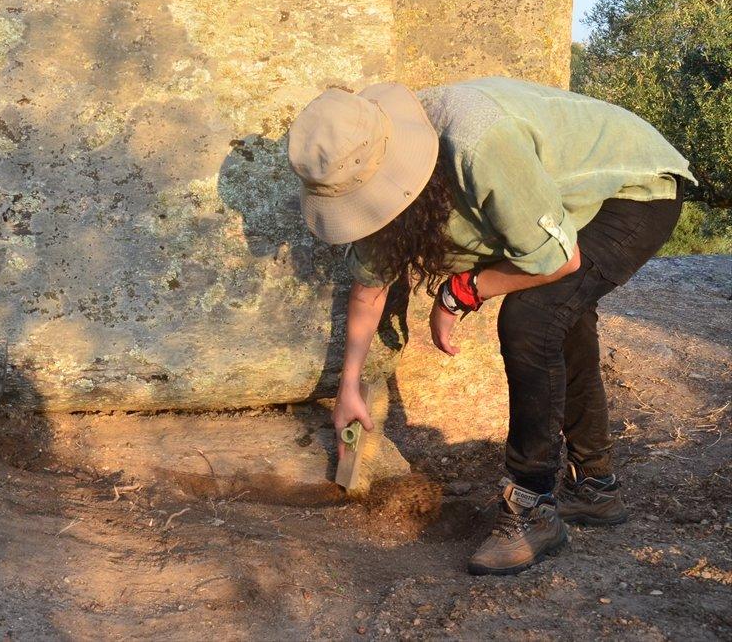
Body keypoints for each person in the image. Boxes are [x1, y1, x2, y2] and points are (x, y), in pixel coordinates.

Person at [286, 76, 693, 575]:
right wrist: (348, 385)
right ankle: (595, 487)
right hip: (565, 209)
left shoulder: (478, 144)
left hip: (632, 192)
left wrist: (461, 293)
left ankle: (531, 506)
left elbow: (558, 261)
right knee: (563, 320)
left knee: (533, 318)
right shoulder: (369, 164)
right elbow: (369, 287)